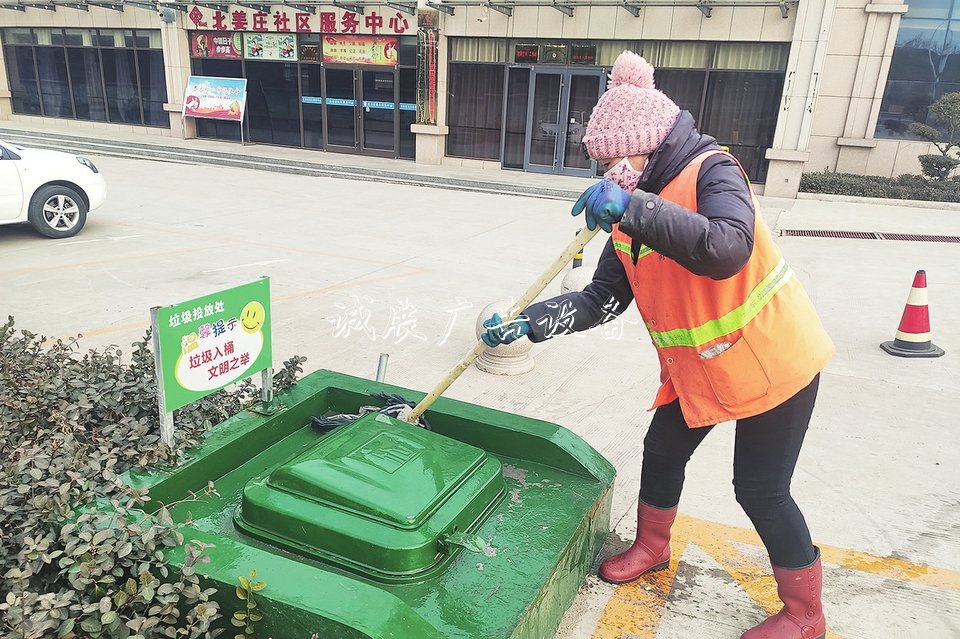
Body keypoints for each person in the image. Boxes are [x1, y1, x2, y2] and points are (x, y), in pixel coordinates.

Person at [481, 51, 834, 639]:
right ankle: (652, 546)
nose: (609, 174)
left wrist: (634, 206)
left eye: (615, 162)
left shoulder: (713, 173)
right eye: (602, 166)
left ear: (646, 146)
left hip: (774, 361)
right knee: (662, 450)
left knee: (761, 489)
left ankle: (805, 614)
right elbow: (602, 299)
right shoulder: (628, 206)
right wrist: (531, 322)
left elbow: (726, 250)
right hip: (700, 366)